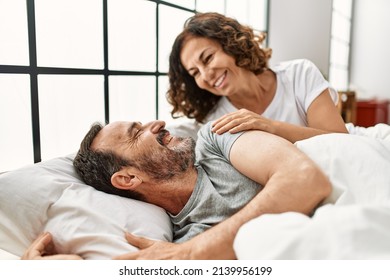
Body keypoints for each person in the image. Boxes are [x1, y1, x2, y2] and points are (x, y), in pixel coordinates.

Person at [22, 119, 331, 259]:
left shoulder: (216, 139)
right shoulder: (177, 242)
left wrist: (193, 253)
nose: (155, 123)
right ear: (127, 179)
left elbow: (305, 178)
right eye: (137, 132)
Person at [166, 12, 348, 143]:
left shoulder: (299, 75)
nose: (206, 75)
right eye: (195, 73)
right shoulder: (217, 122)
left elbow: (340, 142)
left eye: (208, 58)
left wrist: (270, 127)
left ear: (231, 45)